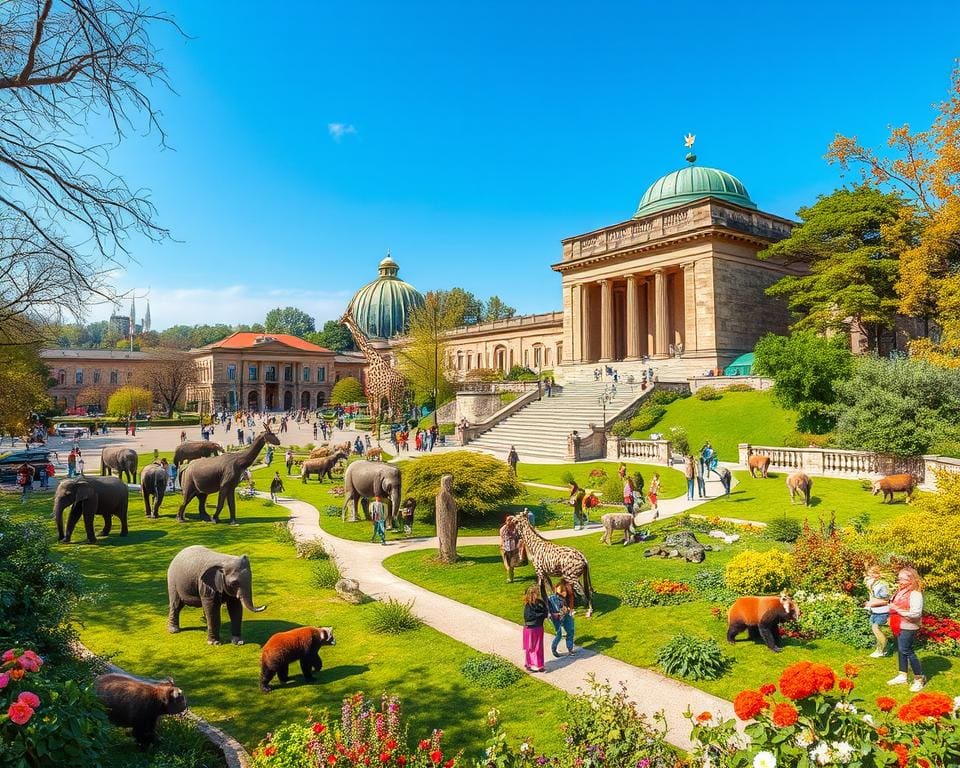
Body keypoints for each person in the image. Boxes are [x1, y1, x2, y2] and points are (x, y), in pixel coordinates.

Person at [887, 567, 926, 691]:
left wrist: (896, 609)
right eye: (898, 578)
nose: (898, 581)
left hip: (908, 626)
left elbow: (915, 614)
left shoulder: (915, 594)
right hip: (898, 625)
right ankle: (902, 675)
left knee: (906, 650)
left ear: (911, 579)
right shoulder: (900, 591)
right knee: (901, 650)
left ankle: (919, 679)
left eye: (901, 579)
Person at [863, 565, 891, 658]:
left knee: (876, 629)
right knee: (876, 631)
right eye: (869, 573)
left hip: (882, 612)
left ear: (878, 574)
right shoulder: (873, 583)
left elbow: (887, 600)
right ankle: (881, 649)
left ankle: (882, 651)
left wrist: (872, 604)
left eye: (872, 573)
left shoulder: (882, 585)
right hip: (875, 611)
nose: (869, 575)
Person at [522, 583, 549, 673]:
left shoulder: (540, 603)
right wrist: (541, 614)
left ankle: (538, 664)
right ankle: (531, 664)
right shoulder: (528, 606)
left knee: (538, 647)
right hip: (530, 628)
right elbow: (529, 617)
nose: (537, 595)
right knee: (530, 647)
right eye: (535, 593)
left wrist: (543, 614)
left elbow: (545, 611)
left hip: (538, 627)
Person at [547, 578, 577, 657]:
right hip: (556, 618)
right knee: (559, 634)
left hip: (565, 615)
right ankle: (554, 648)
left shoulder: (568, 597)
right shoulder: (551, 598)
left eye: (565, 591)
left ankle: (570, 649)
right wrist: (553, 614)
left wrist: (568, 610)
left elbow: (568, 607)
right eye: (562, 590)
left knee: (570, 630)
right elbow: (548, 609)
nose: (564, 592)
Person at [499, 517, 521, 583]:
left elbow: (519, 536)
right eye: (508, 520)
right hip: (505, 549)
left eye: (511, 521)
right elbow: (503, 538)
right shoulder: (503, 529)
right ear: (506, 521)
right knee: (508, 565)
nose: (510, 522)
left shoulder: (516, 528)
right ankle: (510, 577)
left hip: (514, 549)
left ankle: (511, 578)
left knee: (511, 565)